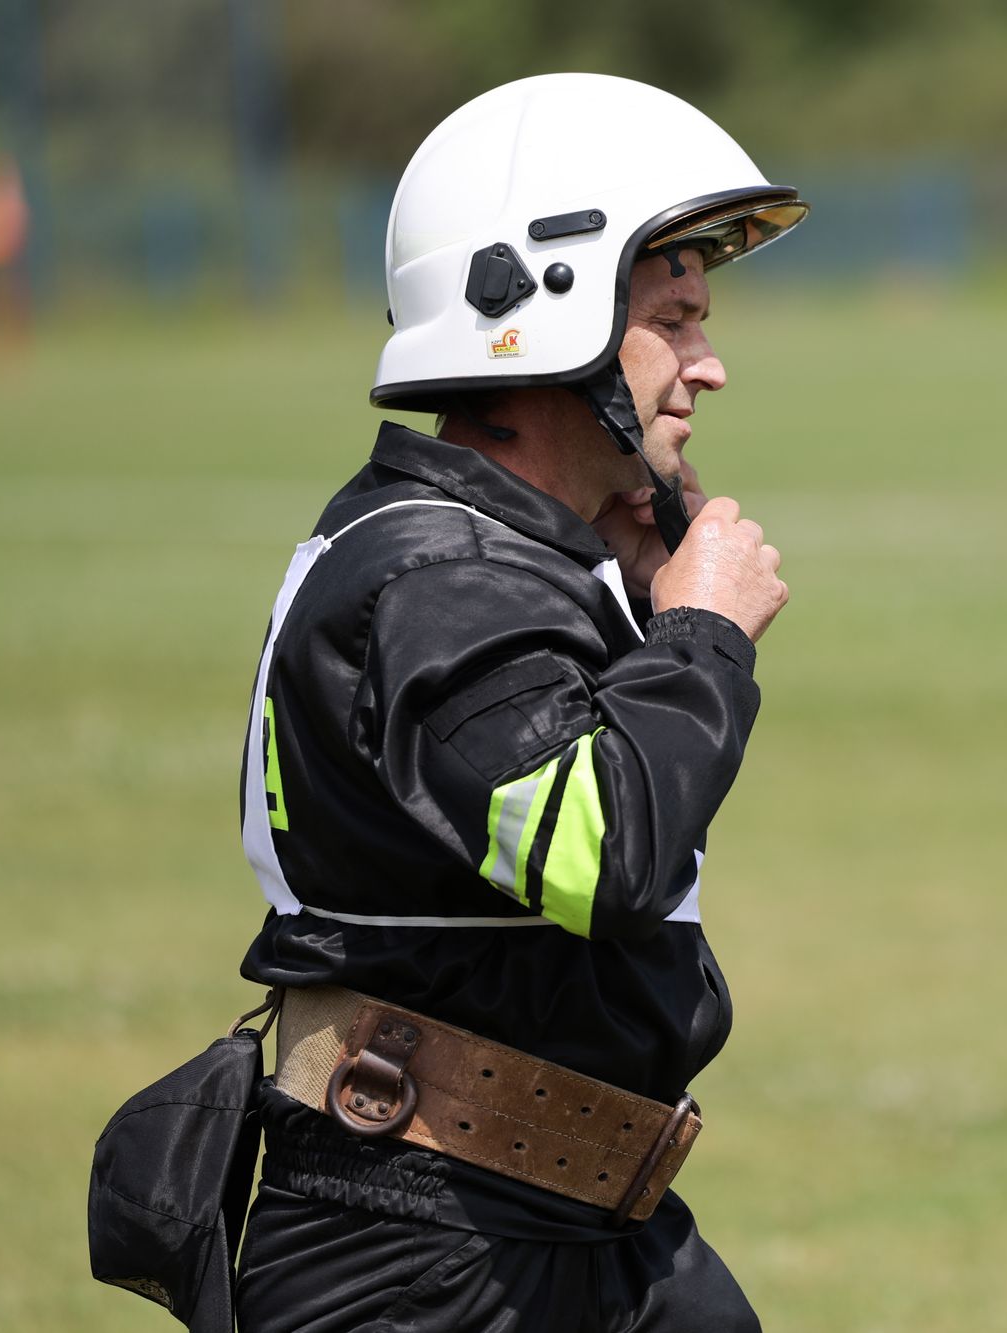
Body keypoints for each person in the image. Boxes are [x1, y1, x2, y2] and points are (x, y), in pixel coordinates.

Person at [230, 74, 807, 1332]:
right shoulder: (443, 572)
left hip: (553, 1222)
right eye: (673, 318)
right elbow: (597, 854)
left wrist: (640, 625)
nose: (708, 367)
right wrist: (702, 636)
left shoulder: (497, 563)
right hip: (427, 1258)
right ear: (545, 303)